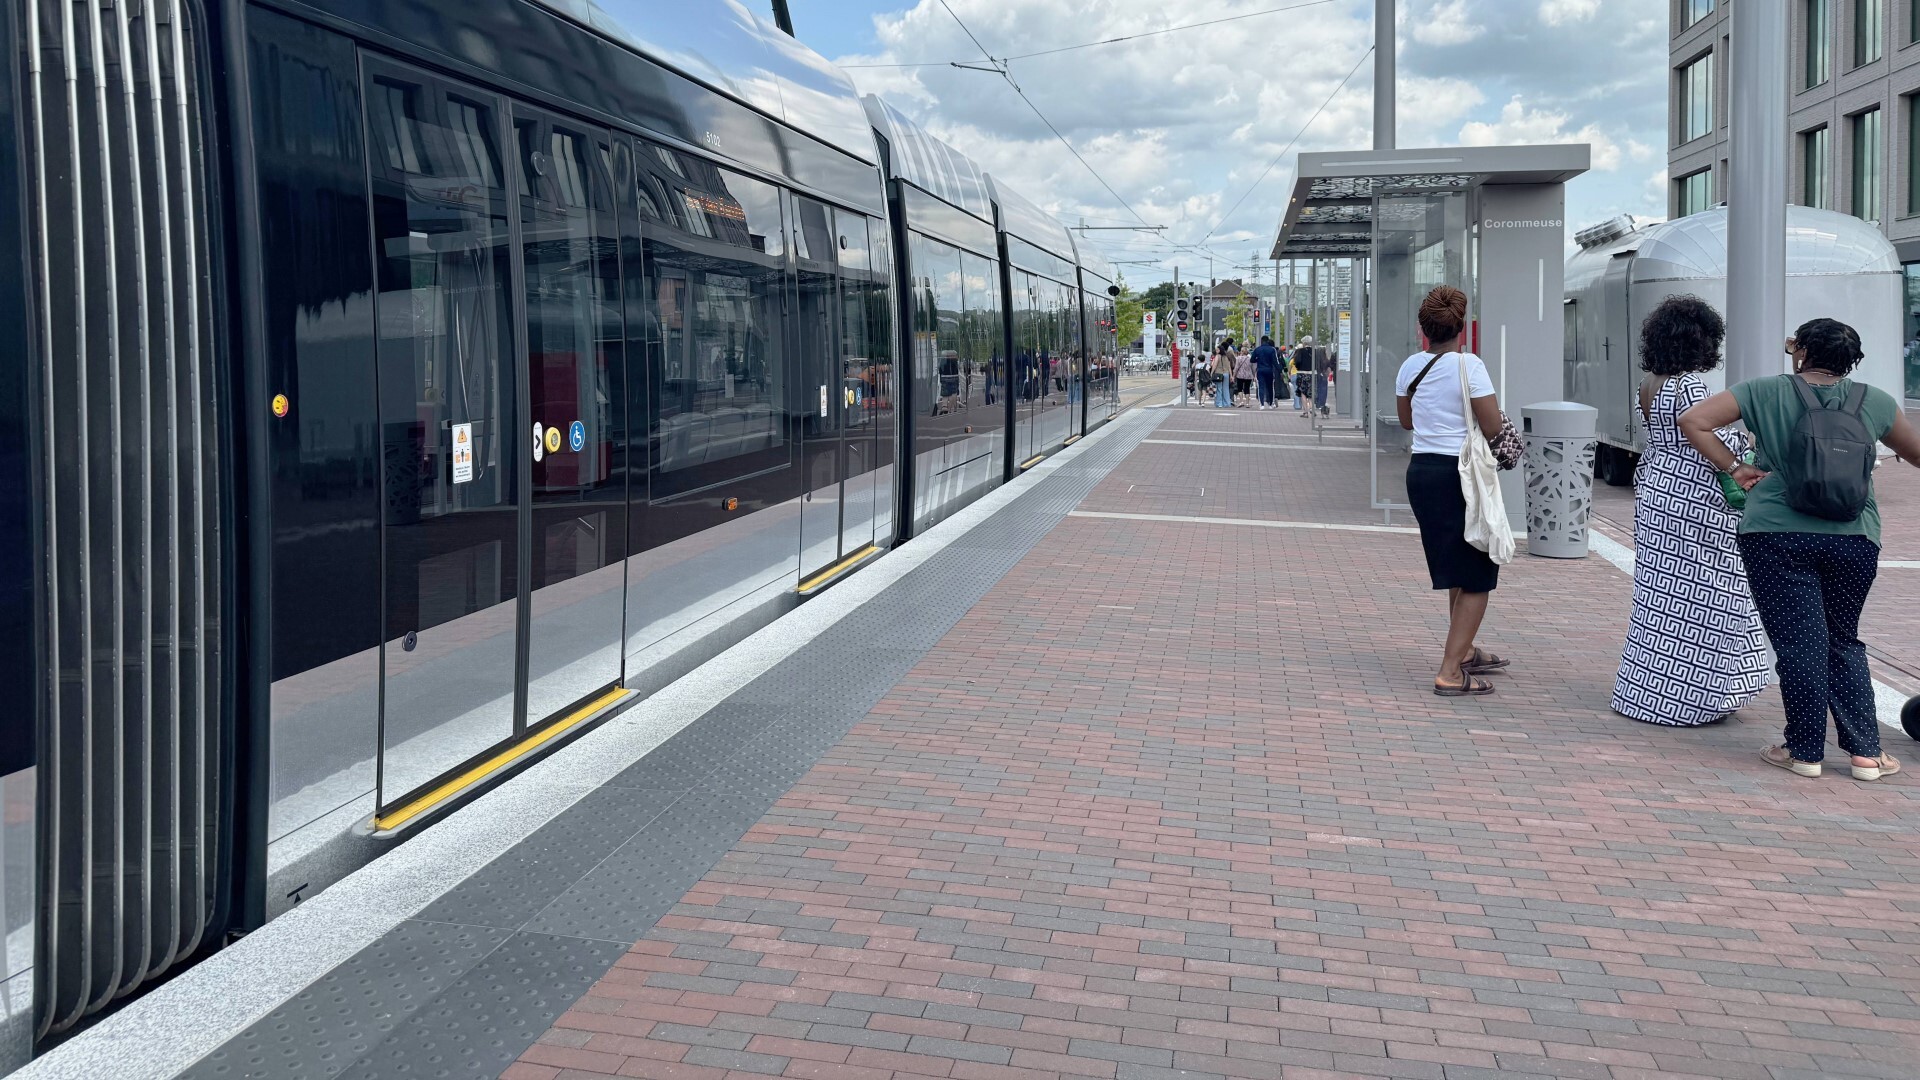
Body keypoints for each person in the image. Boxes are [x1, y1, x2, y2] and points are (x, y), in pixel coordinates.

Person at [1679, 317, 1920, 780]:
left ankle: (1804, 751)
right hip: (1854, 536)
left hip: (1776, 532)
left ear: (1802, 352)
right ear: (1850, 361)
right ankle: (1866, 754)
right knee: (1843, 638)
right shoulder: (1875, 400)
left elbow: (1694, 421)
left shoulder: (1764, 390)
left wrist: (1736, 467)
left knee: (1799, 643)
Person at [1611, 296, 1768, 727]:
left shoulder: (1648, 383)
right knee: (1715, 591)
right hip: (1695, 495)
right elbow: (1707, 437)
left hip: (1657, 485)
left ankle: (1646, 693)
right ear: (1701, 341)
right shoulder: (1689, 386)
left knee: (1661, 595)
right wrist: (1743, 450)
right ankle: (1701, 696)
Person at [1395, 285, 1508, 697]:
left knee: (1456, 568)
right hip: (1458, 476)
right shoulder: (1469, 366)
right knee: (1478, 574)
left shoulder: (1410, 366)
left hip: (1422, 473)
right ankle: (1449, 671)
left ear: (1423, 328)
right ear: (1461, 327)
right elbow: (1493, 426)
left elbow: (1406, 421)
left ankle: (1465, 650)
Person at [1252, 335, 1282, 409]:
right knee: (1270, 387)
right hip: (1269, 370)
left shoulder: (1257, 349)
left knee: (1261, 387)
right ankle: (1271, 404)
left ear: (1261, 341)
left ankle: (1262, 404)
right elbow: (1275, 361)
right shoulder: (1272, 349)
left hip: (1260, 370)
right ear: (1268, 341)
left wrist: (1258, 359)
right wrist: (1280, 370)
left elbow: (1252, 360)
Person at [1292, 336, 1315, 413]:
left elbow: (1297, 361)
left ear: (1304, 343)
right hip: (1312, 373)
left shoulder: (1300, 351)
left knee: (1303, 393)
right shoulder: (1314, 351)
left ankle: (1305, 411)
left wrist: (1298, 368)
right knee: (1311, 392)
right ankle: (1311, 407)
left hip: (1302, 373)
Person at [1232, 343, 1255, 407]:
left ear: (1241, 352)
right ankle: (1247, 403)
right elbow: (1253, 368)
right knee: (1247, 389)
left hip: (1240, 375)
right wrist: (1254, 375)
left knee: (1240, 388)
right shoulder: (1250, 359)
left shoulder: (1238, 358)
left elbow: (1236, 368)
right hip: (1248, 375)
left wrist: (1233, 376)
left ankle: (1241, 401)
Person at [1213, 343, 1234, 408]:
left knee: (1219, 389)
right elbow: (1229, 367)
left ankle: (1219, 403)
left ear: (1220, 350)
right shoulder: (1226, 357)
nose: (1216, 351)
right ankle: (1227, 403)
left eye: (1217, 350)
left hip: (1219, 373)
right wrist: (1231, 375)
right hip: (1226, 374)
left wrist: (1212, 372)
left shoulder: (1217, 356)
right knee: (1226, 389)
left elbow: (1215, 365)